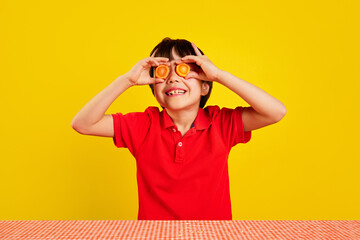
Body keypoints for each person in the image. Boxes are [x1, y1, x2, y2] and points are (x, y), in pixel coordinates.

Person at [71, 37, 287, 220]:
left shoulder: (221, 123)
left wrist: (220, 75)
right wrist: (126, 80)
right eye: (163, 72)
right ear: (154, 88)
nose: (173, 77)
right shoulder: (142, 125)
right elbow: (83, 124)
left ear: (205, 85)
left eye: (185, 70)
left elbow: (275, 111)